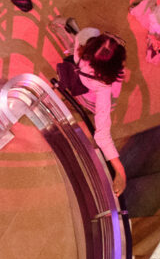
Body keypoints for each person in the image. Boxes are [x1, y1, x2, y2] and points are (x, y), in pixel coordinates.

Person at [50, 20, 129, 195]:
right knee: (84, 104)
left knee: (78, 100)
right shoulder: (104, 87)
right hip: (88, 96)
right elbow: (102, 134)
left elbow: (84, 38)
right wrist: (120, 170)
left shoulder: (87, 35)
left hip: (84, 92)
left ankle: (67, 29)